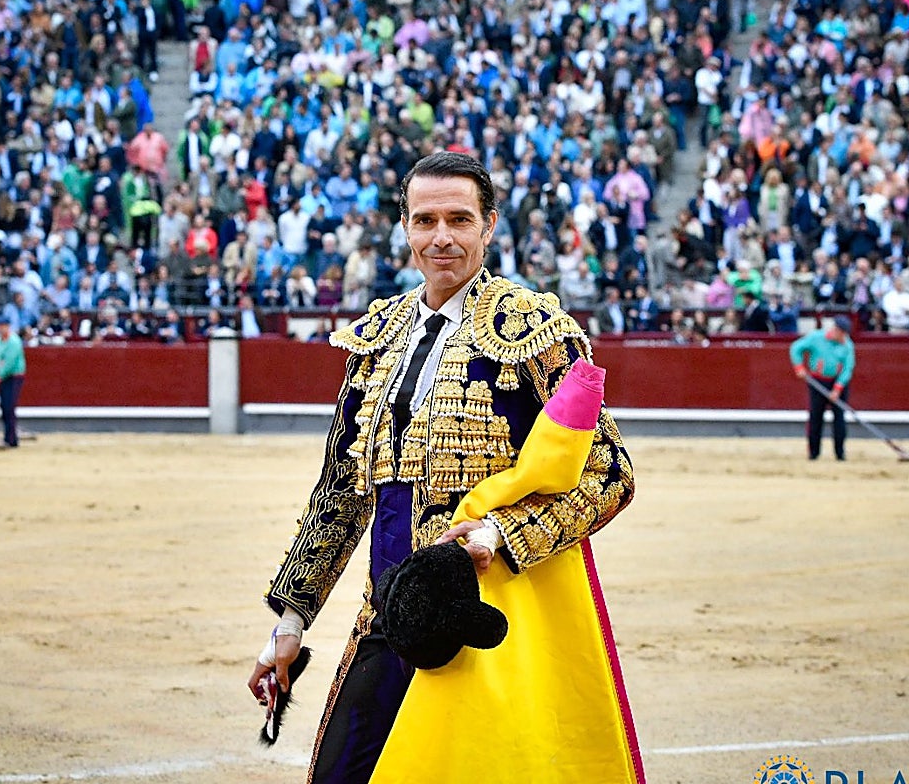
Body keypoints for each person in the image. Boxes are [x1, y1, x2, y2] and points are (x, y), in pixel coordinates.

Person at [247, 152, 639, 783]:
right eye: (425, 220)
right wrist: (291, 622)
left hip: (482, 620)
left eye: (460, 219)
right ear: (405, 227)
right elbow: (342, 494)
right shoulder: (381, 334)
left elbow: (610, 474)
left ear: (488, 226)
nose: (442, 237)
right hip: (385, 616)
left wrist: (501, 536)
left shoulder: (532, 328)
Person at [789, 315, 856, 461]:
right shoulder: (816, 337)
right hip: (818, 382)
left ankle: (840, 453)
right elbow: (796, 348)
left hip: (838, 383)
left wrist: (837, 389)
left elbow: (847, 368)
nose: (844, 337)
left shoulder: (847, 345)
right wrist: (799, 366)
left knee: (839, 419)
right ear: (836, 330)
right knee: (815, 417)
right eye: (842, 333)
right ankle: (813, 453)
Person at [0, 313, 26, 448]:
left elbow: (10, 363)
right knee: (5, 408)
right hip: (2, 377)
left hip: (14, 377)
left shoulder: (14, 341)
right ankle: (8, 437)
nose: (0, 328)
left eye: (2, 326)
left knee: (9, 406)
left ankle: (11, 439)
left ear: (8, 326)